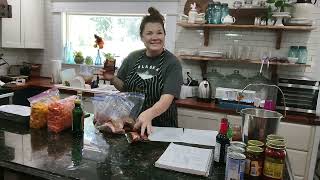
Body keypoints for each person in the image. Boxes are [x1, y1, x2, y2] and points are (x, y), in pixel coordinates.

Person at [101, 7, 183, 136]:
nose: (155, 37)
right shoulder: (132, 58)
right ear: (141, 37)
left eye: (159, 32)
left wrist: (149, 114)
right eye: (149, 33)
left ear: (164, 35)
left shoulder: (172, 63)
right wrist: (112, 78)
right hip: (133, 127)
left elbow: (166, 100)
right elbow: (125, 88)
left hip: (162, 130)